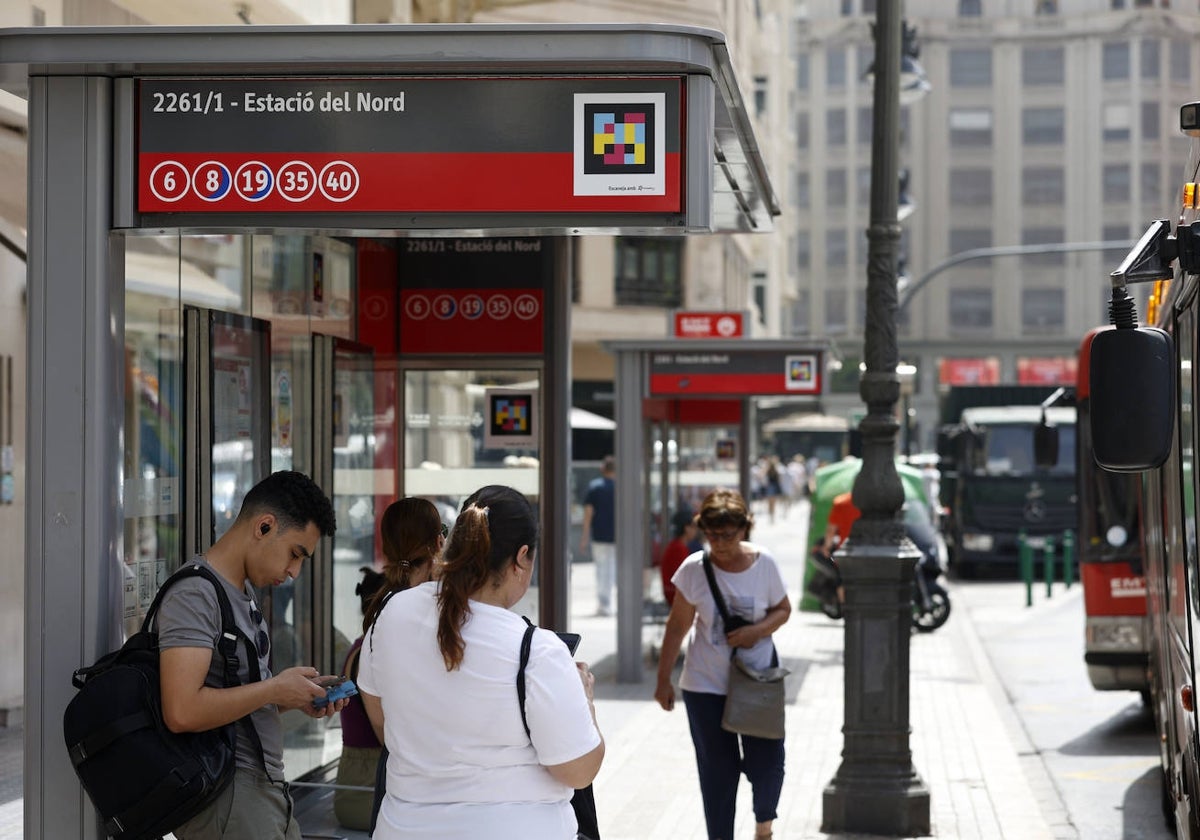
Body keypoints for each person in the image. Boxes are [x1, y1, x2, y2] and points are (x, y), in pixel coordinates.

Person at [357, 485, 605, 840]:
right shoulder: (536, 650)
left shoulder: (391, 614)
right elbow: (578, 770)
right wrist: (586, 701)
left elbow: (384, 727)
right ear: (522, 558)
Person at [157, 470, 344, 840]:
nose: (294, 572)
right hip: (231, 797)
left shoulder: (241, 594)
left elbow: (234, 706)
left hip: (261, 793)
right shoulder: (196, 594)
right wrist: (274, 690)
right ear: (264, 527)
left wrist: (293, 697)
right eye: (295, 554)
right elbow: (180, 711)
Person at [654, 488, 791, 840]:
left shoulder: (766, 564)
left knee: (768, 763)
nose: (719, 543)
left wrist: (755, 631)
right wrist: (663, 679)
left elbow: (783, 609)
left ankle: (764, 825)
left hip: (757, 680)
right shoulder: (694, 569)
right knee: (717, 772)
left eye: (727, 535)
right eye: (711, 535)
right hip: (705, 684)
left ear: (745, 528)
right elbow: (677, 625)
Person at [356, 497, 448, 834]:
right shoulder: (458, 611)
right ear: (439, 542)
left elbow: (380, 724)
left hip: (400, 785)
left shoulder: (381, 616)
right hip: (453, 789)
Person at [334, 567, 387, 832]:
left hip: (364, 787)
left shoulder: (364, 646)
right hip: (363, 793)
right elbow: (386, 737)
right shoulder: (368, 653)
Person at [580, 455, 617, 616]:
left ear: (603, 469)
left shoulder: (594, 487)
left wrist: (585, 536)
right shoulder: (620, 487)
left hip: (599, 535)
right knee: (613, 569)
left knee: (602, 569)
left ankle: (604, 603)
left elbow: (588, 513)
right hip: (617, 535)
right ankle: (610, 602)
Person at [659, 508, 700, 607]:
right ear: (686, 528)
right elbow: (685, 581)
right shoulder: (678, 549)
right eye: (694, 526)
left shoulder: (676, 546)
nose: (696, 530)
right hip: (677, 598)